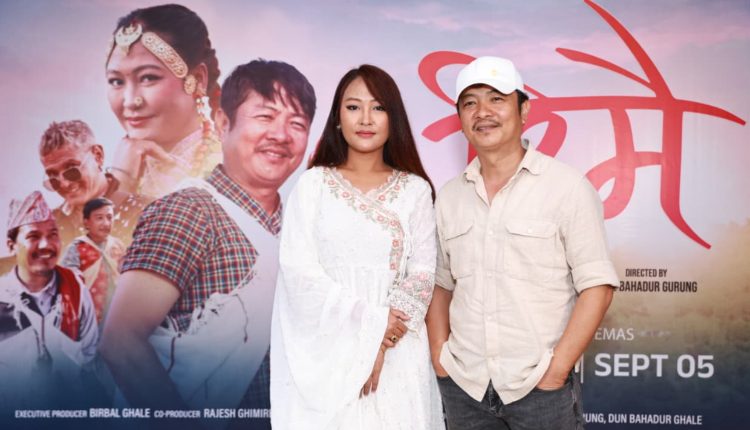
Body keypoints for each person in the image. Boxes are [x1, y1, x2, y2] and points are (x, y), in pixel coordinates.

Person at [100, 60, 316, 427]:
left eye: (297, 124)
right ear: (222, 123)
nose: (281, 134)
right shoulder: (189, 211)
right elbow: (121, 342)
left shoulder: (298, 228)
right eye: (265, 116)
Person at [426, 56, 619, 429]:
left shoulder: (567, 187)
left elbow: (598, 286)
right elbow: (441, 284)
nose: (482, 112)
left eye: (496, 99)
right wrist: (440, 357)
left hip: (539, 388)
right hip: (465, 387)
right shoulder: (449, 197)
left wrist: (556, 371)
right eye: (470, 103)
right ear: (460, 118)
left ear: (524, 110)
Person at [271, 64, 444, 429]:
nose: (365, 118)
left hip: (398, 353)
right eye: (353, 107)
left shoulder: (415, 190)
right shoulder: (313, 186)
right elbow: (299, 273)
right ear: (338, 118)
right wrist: (362, 336)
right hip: (328, 354)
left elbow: (422, 274)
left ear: (393, 118)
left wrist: (378, 344)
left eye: (378, 107)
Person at [105, 4, 223, 198]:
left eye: (148, 78)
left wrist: (121, 188)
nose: (130, 101)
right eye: (116, 81)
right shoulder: (121, 163)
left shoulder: (229, 167)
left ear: (197, 79)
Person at [0, 191, 98, 413]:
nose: (46, 244)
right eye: (33, 236)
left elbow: (89, 352)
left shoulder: (75, 289)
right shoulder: (2, 299)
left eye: (53, 234)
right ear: (11, 245)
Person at [39, 120, 151, 248]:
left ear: (97, 156)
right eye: (53, 176)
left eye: (71, 169)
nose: (64, 184)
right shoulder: (46, 227)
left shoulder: (145, 212)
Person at [61, 198, 126, 325]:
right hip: (89, 314)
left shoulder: (118, 245)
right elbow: (68, 283)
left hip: (118, 312)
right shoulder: (76, 248)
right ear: (86, 222)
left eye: (109, 217)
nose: (106, 223)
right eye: (99, 218)